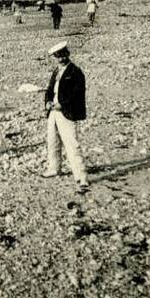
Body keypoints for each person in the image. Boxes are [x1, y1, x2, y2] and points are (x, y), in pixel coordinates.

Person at [43, 41, 89, 190]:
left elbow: (77, 93)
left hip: (66, 112)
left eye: (62, 55)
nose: (60, 59)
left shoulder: (75, 72)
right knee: (53, 142)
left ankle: (81, 177)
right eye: (57, 56)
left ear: (67, 54)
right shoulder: (56, 71)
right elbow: (50, 90)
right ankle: (54, 168)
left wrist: (62, 104)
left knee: (72, 144)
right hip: (53, 112)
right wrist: (48, 102)